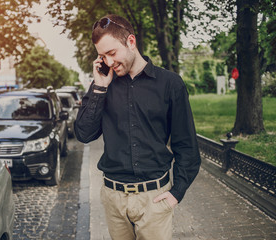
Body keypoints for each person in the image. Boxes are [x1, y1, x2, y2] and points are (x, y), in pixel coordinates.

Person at [74, 14, 201, 240]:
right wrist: (99, 88)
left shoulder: (170, 84)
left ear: (131, 42)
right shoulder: (103, 84)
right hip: (113, 198)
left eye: (112, 53)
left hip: (155, 198)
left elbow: (187, 145)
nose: (109, 62)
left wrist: (176, 192)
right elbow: (84, 134)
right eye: (102, 56)